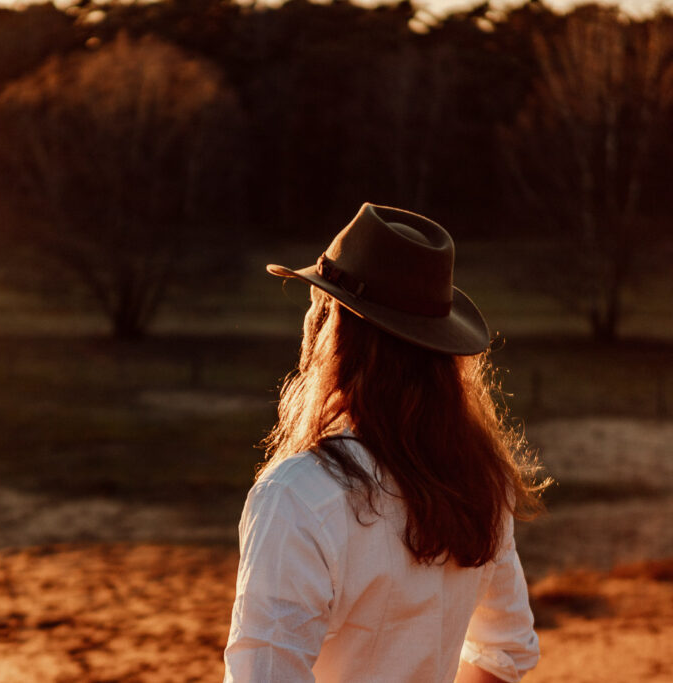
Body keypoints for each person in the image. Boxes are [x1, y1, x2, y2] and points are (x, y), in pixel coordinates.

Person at [224, 204, 546, 683]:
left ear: (334, 331)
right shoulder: (480, 476)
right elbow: (507, 652)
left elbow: (264, 676)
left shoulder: (298, 494)